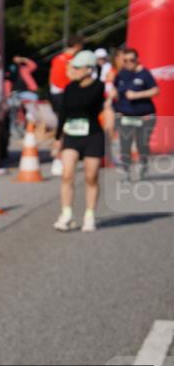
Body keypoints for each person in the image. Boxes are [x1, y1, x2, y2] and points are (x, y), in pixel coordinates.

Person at [52, 50, 110, 232]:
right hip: (71, 135)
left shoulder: (99, 87)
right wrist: (57, 138)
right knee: (67, 174)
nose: (73, 70)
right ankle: (66, 213)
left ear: (88, 69)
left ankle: (89, 214)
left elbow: (88, 103)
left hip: (92, 135)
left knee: (91, 176)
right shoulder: (69, 88)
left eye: (77, 67)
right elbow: (63, 113)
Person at [113, 47, 160, 181]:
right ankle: (126, 171)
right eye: (125, 60)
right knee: (125, 144)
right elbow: (116, 90)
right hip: (125, 115)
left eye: (131, 60)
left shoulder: (145, 73)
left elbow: (156, 90)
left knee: (142, 144)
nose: (128, 63)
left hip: (144, 115)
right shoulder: (121, 74)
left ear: (137, 59)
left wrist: (137, 95)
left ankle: (143, 163)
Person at [48, 35, 84, 176]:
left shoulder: (57, 58)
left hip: (56, 94)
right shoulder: (73, 61)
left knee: (63, 127)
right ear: (77, 46)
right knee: (66, 128)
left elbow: (52, 77)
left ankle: (60, 158)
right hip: (66, 95)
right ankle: (59, 159)